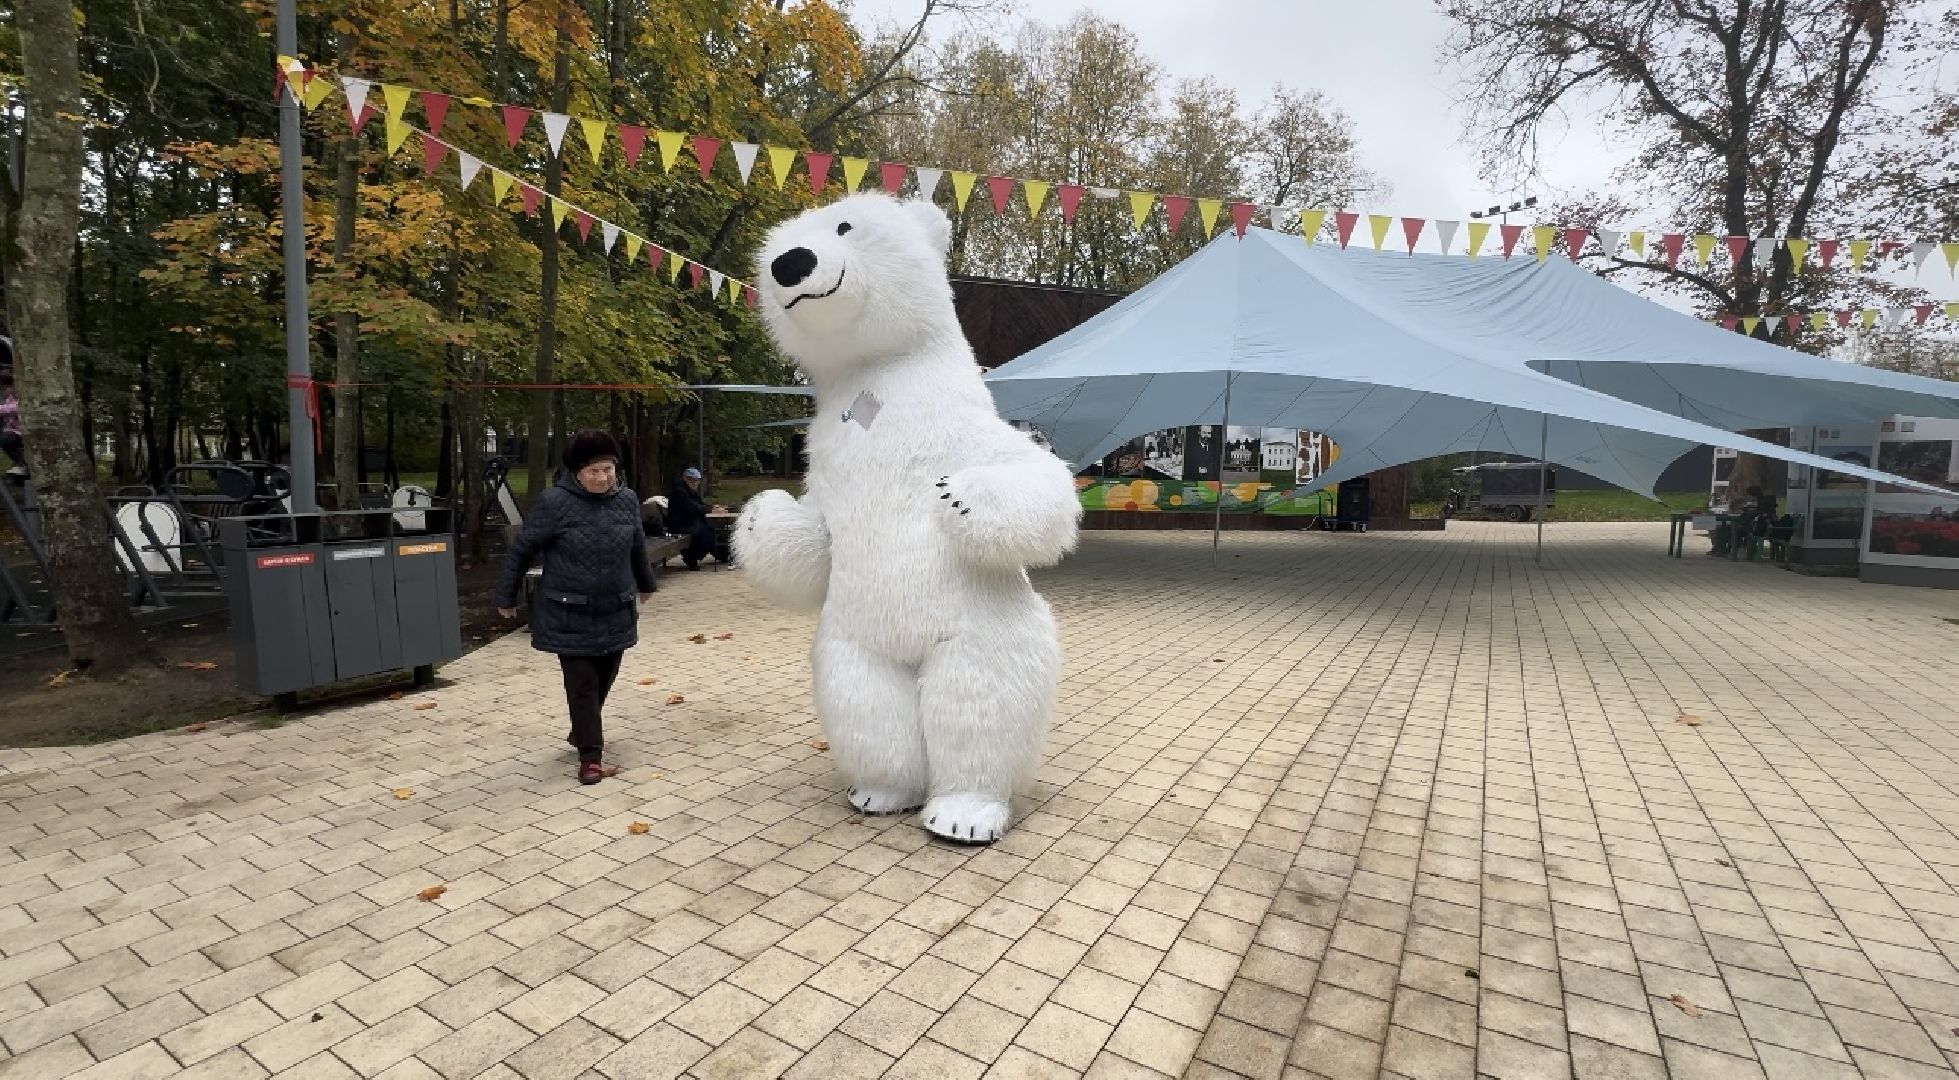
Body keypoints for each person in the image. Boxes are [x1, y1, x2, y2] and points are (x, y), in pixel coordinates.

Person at [495, 430, 655, 785]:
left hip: (616, 607)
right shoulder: (555, 503)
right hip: (570, 612)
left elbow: (637, 546)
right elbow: (521, 549)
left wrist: (646, 584)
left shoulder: (627, 500)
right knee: (582, 684)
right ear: (577, 472)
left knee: (604, 678)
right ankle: (591, 758)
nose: (601, 477)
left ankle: (582, 730)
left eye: (607, 469)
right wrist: (506, 597)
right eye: (593, 471)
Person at [666, 466, 728, 569]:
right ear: (685, 479)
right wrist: (711, 510)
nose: (695, 482)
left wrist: (712, 507)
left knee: (712, 531)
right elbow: (692, 507)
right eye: (692, 480)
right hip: (680, 524)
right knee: (705, 534)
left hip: (689, 522)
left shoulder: (691, 491)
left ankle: (724, 556)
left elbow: (699, 504)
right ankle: (691, 558)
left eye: (697, 480)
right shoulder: (679, 492)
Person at [0, 367, 25, 477]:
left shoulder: (22, 393)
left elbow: (18, 407)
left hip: (20, 430)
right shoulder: (7, 396)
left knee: (7, 439)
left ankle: (23, 464)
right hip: (10, 428)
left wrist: (2, 409)